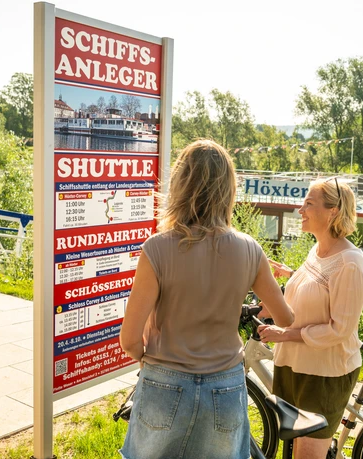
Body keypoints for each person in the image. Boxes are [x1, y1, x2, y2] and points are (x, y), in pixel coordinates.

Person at [119, 139, 294, 459]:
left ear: (180, 185)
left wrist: (147, 356)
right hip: (225, 387)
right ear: (229, 189)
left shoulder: (157, 248)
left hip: (163, 384)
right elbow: (285, 318)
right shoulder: (249, 249)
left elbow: (129, 339)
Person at [258, 177, 363, 459]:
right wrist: (288, 280)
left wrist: (286, 334)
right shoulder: (318, 251)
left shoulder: (350, 262)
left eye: (309, 203)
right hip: (295, 366)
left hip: (323, 375)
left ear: (333, 211)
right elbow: (319, 291)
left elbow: (340, 329)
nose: (301, 209)